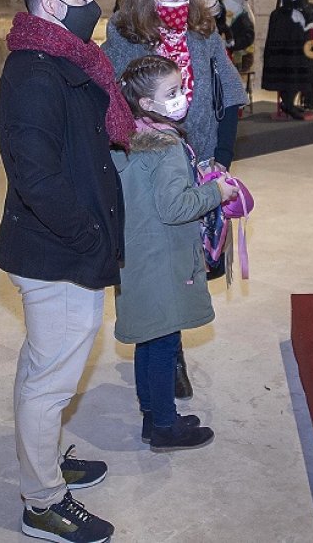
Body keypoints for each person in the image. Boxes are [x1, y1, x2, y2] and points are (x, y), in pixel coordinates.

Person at [0, 0, 135, 543]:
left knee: (41, 369)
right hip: (56, 254)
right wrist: (88, 236)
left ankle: (44, 461)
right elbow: (37, 176)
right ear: (51, 5)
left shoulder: (65, 60)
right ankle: (42, 502)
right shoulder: (33, 73)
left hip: (63, 248)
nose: (94, 7)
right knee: (50, 380)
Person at [102, 0, 248, 401]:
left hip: (199, 159)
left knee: (193, 257)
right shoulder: (123, 39)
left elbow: (231, 93)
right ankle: (166, 350)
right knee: (156, 262)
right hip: (149, 163)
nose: (181, 5)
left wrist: (221, 156)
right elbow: (109, 105)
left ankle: (172, 346)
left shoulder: (202, 34)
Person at [113, 55, 236, 451]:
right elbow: (175, 207)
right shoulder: (165, 147)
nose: (181, 96)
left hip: (138, 256)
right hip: (163, 260)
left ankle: (154, 415)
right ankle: (165, 427)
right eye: (172, 92)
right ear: (147, 104)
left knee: (148, 341)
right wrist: (216, 192)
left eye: (180, 87)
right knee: (165, 342)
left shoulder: (128, 139)